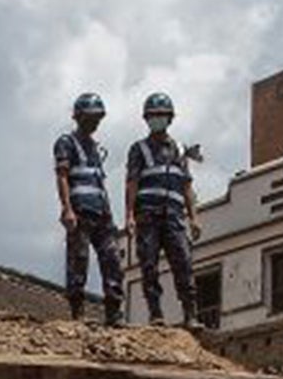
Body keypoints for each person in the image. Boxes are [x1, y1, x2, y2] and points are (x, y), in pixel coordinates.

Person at [124, 92, 199, 327]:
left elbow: (187, 186)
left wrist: (194, 218)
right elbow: (132, 184)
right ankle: (155, 313)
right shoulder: (139, 149)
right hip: (148, 215)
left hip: (174, 216)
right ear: (147, 119)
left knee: (184, 263)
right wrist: (128, 216)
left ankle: (190, 314)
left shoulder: (178, 150)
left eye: (162, 115)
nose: (157, 119)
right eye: (153, 116)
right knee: (149, 264)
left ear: (169, 118)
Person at [52, 92, 124, 325]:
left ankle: (113, 312)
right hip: (80, 210)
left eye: (97, 118)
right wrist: (67, 209)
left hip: (101, 212)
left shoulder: (95, 147)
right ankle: (77, 311)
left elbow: (99, 182)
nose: (95, 123)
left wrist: (110, 214)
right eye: (91, 117)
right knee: (78, 259)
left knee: (112, 259)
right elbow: (62, 176)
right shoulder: (66, 143)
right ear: (79, 117)